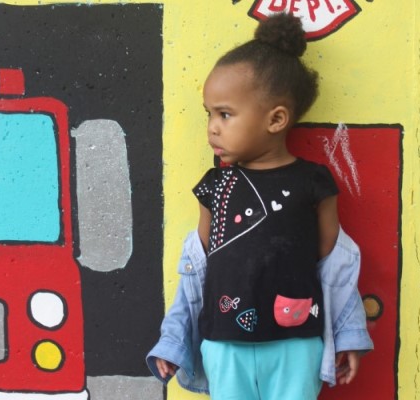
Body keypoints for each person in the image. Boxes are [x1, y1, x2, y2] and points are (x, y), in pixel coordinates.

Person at [147, 13, 373, 400]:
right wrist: (173, 339)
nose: (212, 127)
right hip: (224, 346)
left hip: (296, 346)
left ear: (276, 119)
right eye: (209, 114)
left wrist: (349, 332)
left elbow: (336, 266)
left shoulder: (314, 183)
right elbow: (194, 270)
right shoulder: (215, 186)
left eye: (225, 114)